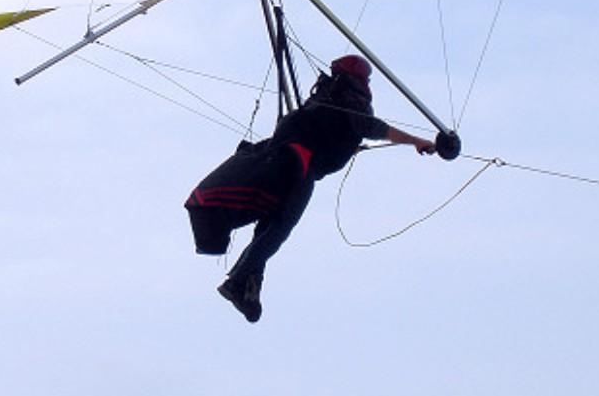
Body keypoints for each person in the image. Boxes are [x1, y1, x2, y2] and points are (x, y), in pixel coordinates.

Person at [185, 54, 436, 322]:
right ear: (359, 80)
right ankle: (240, 280)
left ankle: (247, 285)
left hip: (280, 165)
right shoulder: (347, 104)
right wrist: (416, 141)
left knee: (269, 227)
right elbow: (375, 128)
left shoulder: (321, 101)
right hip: (297, 168)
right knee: (278, 228)